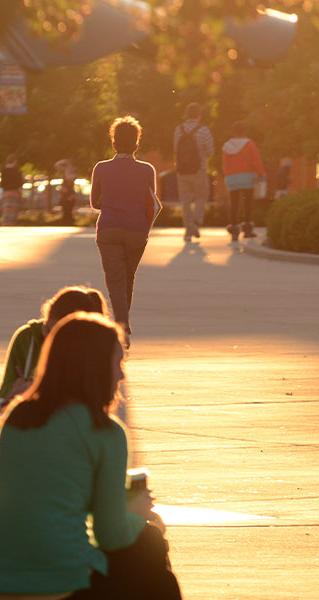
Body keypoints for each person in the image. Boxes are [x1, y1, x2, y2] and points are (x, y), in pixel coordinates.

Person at [0, 313, 180, 599]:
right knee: (151, 545)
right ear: (94, 368)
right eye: (117, 363)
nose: (121, 374)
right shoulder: (105, 432)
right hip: (62, 582)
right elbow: (111, 534)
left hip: (6, 578)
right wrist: (138, 513)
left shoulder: (18, 417)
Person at [90, 116, 156, 348]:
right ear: (137, 143)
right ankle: (122, 324)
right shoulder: (147, 170)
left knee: (116, 280)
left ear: (113, 142)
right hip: (137, 232)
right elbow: (151, 203)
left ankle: (121, 325)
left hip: (109, 229)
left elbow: (95, 203)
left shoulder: (101, 168)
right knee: (127, 277)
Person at [0, 286, 107, 407]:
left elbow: (92, 399)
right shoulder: (26, 338)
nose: (46, 335)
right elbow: (5, 392)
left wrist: (34, 388)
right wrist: (13, 392)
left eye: (55, 334)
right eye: (47, 327)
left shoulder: (91, 351)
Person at [173, 103, 213, 242]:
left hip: (182, 171)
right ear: (199, 116)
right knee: (201, 197)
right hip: (199, 170)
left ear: (186, 114)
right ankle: (196, 222)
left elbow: (175, 149)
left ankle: (188, 230)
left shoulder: (179, 130)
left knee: (185, 201)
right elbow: (210, 151)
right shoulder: (204, 130)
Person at [221, 121, 266, 242]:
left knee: (234, 203)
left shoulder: (226, 146)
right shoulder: (249, 144)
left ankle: (234, 230)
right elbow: (256, 160)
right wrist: (261, 174)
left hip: (231, 177)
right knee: (247, 203)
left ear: (233, 132)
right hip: (247, 176)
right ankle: (247, 230)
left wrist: (227, 175)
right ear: (244, 131)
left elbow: (224, 164)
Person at [1, 155, 23, 226]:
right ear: (15, 162)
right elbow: (20, 183)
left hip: (6, 193)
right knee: (13, 210)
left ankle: (5, 224)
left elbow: (2, 183)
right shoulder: (18, 171)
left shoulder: (3, 171)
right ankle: (11, 224)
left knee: (6, 210)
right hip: (15, 192)